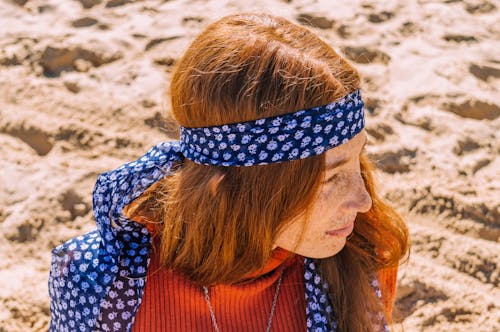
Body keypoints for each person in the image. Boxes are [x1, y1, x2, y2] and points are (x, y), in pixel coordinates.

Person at [48, 13, 409, 332]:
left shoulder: (361, 255)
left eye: (357, 160)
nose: (362, 200)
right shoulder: (102, 286)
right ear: (227, 188)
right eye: (330, 178)